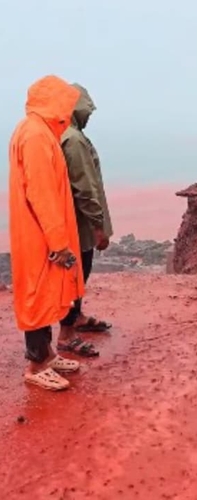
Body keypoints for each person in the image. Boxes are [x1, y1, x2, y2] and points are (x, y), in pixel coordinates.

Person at [8, 75, 86, 390]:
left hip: (39, 233)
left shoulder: (36, 131)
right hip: (40, 236)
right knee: (38, 298)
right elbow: (42, 194)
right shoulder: (37, 136)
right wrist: (59, 243)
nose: (70, 109)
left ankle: (48, 355)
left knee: (45, 295)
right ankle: (36, 364)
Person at [59, 83, 114, 348]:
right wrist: (98, 225)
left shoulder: (66, 134)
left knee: (78, 274)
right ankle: (66, 334)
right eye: (86, 111)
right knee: (76, 275)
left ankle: (76, 316)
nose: (89, 116)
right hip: (79, 224)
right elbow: (84, 186)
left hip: (73, 220)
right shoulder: (74, 139)